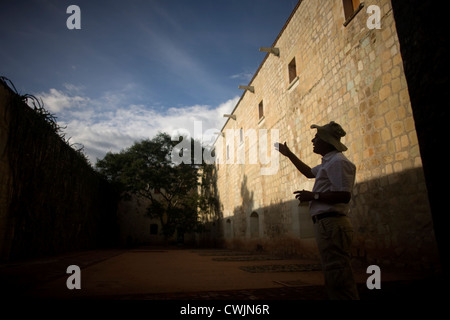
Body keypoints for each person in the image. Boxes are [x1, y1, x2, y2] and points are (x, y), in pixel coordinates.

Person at [275, 121, 359, 300]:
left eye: (317, 138)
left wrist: (313, 196)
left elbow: (344, 195)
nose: (313, 141)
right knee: (333, 272)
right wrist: (289, 154)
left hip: (332, 223)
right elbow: (308, 172)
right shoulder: (329, 162)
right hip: (327, 224)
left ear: (327, 141)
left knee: (339, 274)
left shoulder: (338, 162)